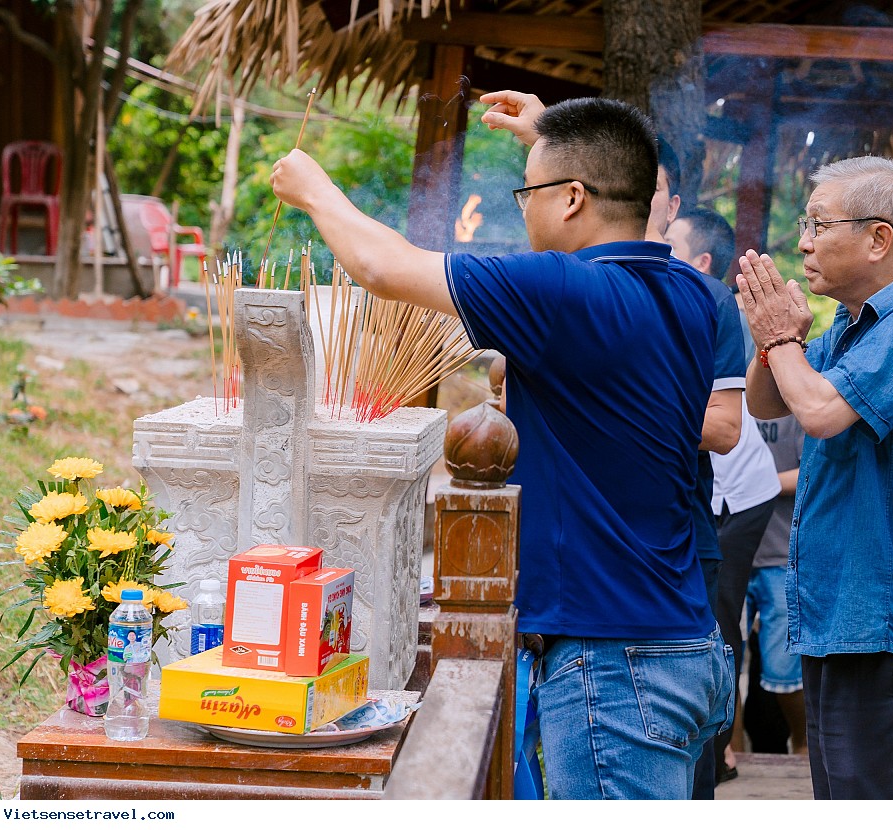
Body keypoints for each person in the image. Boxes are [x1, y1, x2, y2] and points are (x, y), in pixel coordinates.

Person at [272, 90, 733, 799]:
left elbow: (380, 268)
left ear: (573, 198)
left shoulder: (562, 293)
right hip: (681, 639)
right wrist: (556, 140)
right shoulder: (692, 295)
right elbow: (619, 186)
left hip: (613, 662)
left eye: (529, 192)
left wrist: (312, 188)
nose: (522, 209)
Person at [736, 155, 893, 799]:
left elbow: (818, 413)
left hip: (881, 619)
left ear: (878, 239)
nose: (804, 242)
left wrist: (781, 341)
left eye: (819, 224)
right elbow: (766, 402)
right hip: (840, 612)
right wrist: (771, 340)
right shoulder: (853, 324)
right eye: (805, 225)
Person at [666, 207, 780, 788]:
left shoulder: (714, 308)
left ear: (702, 262)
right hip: (714, 489)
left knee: (722, 611)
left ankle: (722, 746)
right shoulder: (676, 304)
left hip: (742, 492)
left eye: (671, 244)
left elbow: (724, 428)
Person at [746, 413, 807, 756]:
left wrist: (750, 482)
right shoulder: (721, 395)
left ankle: (804, 746)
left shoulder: (796, 405)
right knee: (722, 669)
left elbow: (813, 471)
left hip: (783, 555)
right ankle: (729, 758)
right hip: (730, 553)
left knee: (784, 674)